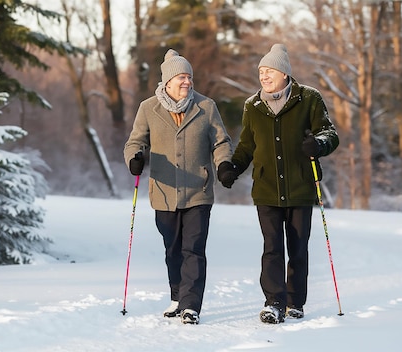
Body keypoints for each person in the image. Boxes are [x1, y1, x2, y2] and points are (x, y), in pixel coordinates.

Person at [228, 43, 339, 324]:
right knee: (272, 247)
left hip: (301, 187)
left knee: (298, 247)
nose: (263, 76)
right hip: (266, 188)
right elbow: (246, 145)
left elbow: (329, 133)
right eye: (261, 72)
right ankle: (274, 302)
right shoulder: (252, 106)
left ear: (284, 73)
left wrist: (318, 144)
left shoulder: (309, 98)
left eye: (269, 71)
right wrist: (234, 167)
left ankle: (295, 301)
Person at [123, 49, 236, 325]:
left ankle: (191, 305)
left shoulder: (206, 106)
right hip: (164, 193)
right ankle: (177, 296)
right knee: (172, 249)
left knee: (194, 249)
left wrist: (223, 164)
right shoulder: (148, 108)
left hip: (199, 190)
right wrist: (135, 159)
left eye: (190, 77)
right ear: (168, 81)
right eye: (182, 77)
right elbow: (134, 142)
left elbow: (221, 141)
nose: (187, 82)